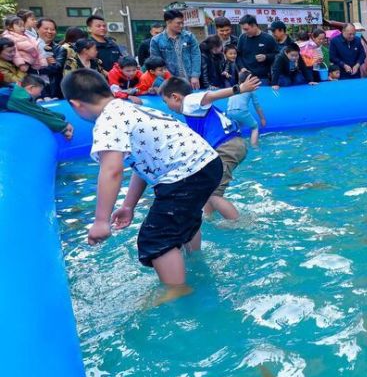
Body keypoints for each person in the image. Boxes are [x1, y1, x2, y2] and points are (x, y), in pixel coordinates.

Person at [62, 68, 223, 288]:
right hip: (207, 163)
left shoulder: (107, 121)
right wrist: (129, 206)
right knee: (183, 218)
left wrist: (101, 221)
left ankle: (177, 291)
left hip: (186, 173)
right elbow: (145, 165)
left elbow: (111, 171)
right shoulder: (129, 108)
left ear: (75, 104)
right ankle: (194, 261)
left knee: (156, 237)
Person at [160, 74, 259, 221]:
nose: (167, 106)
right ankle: (207, 218)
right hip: (229, 145)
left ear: (175, 97)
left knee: (214, 194)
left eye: (165, 101)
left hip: (226, 146)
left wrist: (239, 88)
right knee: (206, 188)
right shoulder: (193, 111)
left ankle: (239, 224)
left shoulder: (189, 101)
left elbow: (210, 96)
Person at [0, 77, 73, 140]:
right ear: (31, 88)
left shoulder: (16, 91)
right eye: (40, 91)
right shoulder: (18, 97)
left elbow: (38, 109)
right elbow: (37, 114)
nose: (40, 94)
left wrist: (60, 116)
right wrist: (63, 127)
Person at [149, 9, 201, 89]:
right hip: (170, 82)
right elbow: (157, 63)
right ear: (168, 22)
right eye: (178, 23)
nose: (181, 25)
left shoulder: (189, 37)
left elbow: (196, 56)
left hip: (190, 80)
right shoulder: (156, 40)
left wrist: (195, 75)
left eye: (182, 23)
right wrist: (167, 79)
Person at [227, 69, 266, 147]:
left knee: (238, 126)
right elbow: (257, 106)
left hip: (229, 111)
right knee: (254, 127)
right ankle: (254, 146)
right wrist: (262, 118)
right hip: (241, 111)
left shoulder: (235, 88)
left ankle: (236, 145)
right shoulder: (251, 89)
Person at [235, 14, 278, 80]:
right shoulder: (242, 37)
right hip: (246, 77)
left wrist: (266, 57)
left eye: (246, 29)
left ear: (254, 26)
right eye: (243, 29)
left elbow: (277, 55)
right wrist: (242, 68)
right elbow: (238, 55)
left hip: (262, 77)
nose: (245, 32)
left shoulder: (268, 38)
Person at [34, 17, 61, 98]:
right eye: (46, 28)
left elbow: (57, 68)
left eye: (52, 29)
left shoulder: (60, 49)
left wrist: (36, 67)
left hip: (53, 90)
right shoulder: (30, 46)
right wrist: (44, 63)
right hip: (33, 89)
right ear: (37, 29)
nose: (49, 32)